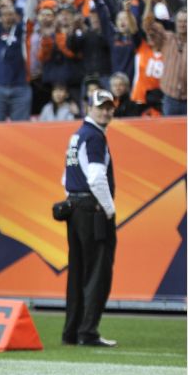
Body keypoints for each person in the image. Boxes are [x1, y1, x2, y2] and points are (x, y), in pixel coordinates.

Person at [60, 89, 120, 347]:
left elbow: (65, 178)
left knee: (77, 272)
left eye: (109, 107)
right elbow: (96, 177)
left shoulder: (78, 135)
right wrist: (109, 209)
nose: (106, 111)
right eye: (101, 107)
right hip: (92, 212)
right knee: (98, 273)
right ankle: (88, 332)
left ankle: (71, 332)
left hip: (74, 208)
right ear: (89, 108)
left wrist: (74, 199)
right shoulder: (95, 137)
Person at [141, 0, 187, 116]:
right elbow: (148, 25)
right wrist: (149, 3)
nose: (182, 24)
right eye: (180, 21)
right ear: (175, 23)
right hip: (170, 99)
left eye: (186, 21)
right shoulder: (167, 38)